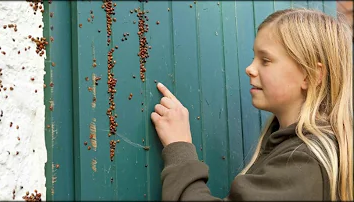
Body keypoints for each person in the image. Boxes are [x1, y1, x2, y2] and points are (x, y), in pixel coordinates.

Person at [150, 8, 353, 201]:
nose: (249, 68)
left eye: (265, 60)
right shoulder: (294, 147)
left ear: (312, 75)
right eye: (254, 57)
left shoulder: (304, 161)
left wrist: (179, 147)